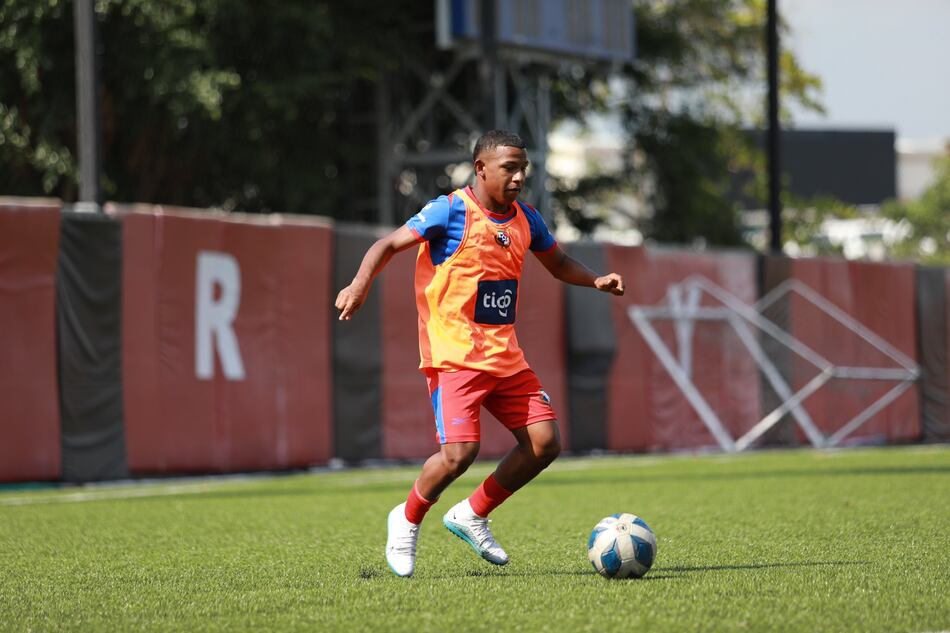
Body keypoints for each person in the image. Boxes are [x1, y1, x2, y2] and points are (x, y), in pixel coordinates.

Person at [335, 129, 625, 577]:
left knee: (545, 443)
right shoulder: (449, 211)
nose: (518, 176)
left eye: (523, 167)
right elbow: (387, 245)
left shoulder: (527, 219)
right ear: (481, 168)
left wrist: (596, 280)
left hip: (505, 356)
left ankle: (472, 513)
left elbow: (559, 262)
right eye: (509, 167)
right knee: (459, 454)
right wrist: (358, 285)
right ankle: (407, 518)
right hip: (454, 356)